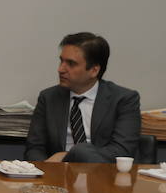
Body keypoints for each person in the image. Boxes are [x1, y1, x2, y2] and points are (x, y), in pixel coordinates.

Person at [24, 32, 140, 163]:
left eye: (71, 64)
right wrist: (46, 170)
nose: (61, 69)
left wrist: (68, 155)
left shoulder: (124, 99)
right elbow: (34, 148)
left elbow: (122, 151)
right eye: (61, 61)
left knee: (81, 151)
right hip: (57, 176)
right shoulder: (48, 98)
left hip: (102, 176)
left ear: (94, 70)